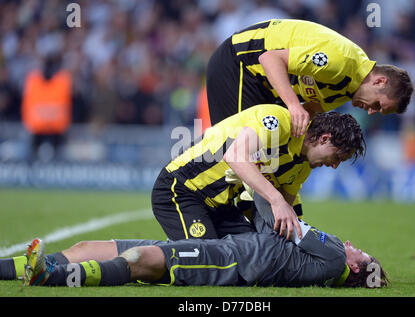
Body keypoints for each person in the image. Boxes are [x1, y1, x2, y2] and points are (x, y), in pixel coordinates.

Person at [18, 193, 389, 288]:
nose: (353, 244)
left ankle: (47, 276)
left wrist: (256, 179)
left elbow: (280, 219)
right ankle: (13, 269)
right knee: (85, 248)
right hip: (229, 245)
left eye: (361, 251)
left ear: (356, 266)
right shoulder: (323, 264)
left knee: (140, 259)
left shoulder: (336, 257)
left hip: (230, 261)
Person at [152, 104, 365, 242]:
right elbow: (235, 156)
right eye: (337, 157)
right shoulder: (279, 121)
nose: (335, 166)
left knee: (260, 252)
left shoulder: (302, 167)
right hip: (181, 189)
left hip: (221, 206)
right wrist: (276, 199)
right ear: (324, 138)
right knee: (205, 261)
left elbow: (287, 218)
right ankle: (130, 259)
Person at [206, 19, 414, 137]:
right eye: (378, 104)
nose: (371, 111)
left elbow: (308, 113)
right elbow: (269, 59)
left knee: (265, 156)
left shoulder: (348, 90)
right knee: (236, 151)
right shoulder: (341, 62)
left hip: (263, 85)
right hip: (239, 62)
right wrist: (294, 105)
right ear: (379, 81)